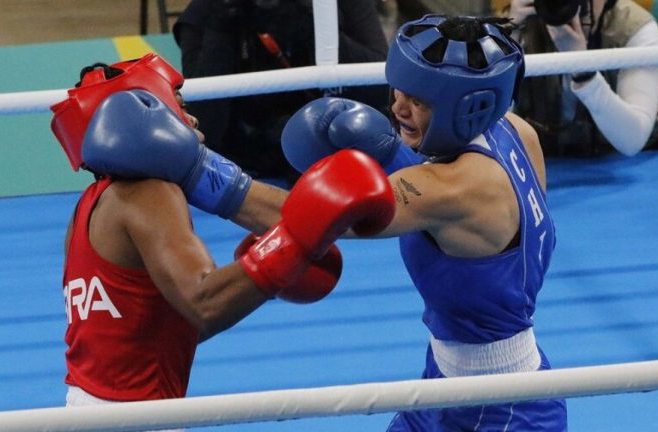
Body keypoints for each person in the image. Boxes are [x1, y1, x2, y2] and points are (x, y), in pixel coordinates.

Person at [75, 15, 568, 431]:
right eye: (399, 88)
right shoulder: (515, 132)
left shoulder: (456, 189)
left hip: (499, 407)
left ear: (469, 107)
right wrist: (393, 152)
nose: (397, 105)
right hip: (448, 377)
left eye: (419, 101)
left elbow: (321, 218)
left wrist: (197, 170)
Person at [48, 54, 396, 412]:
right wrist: (288, 247)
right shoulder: (148, 195)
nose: (194, 118)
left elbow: (162, 331)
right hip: (133, 418)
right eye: (179, 106)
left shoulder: (92, 203)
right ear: (147, 115)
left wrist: (262, 271)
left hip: (96, 408)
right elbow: (205, 305)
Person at [172, 0, 390, 181]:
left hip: (338, 145)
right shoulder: (208, 12)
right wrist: (221, 29)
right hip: (249, 164)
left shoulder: (332, 4)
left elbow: (383, 89)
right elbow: (205, 128)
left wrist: (319, 31)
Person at [506, 0, 658, 157]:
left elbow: (632, 141)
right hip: (554, 159)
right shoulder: (521, 22)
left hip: (655, 151)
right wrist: (508, 39)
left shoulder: (633, 26)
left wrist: (583, 70)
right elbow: (495, 131)